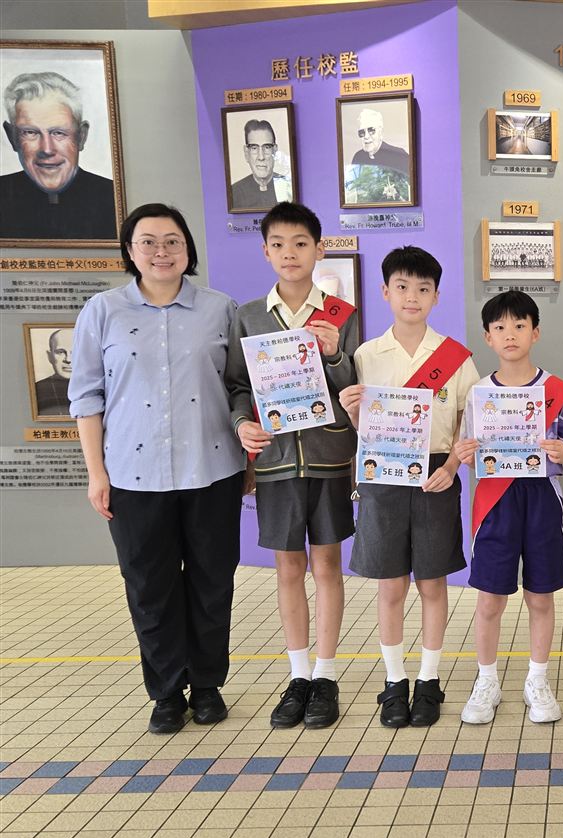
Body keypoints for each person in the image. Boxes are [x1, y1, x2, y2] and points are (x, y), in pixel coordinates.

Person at [69, 203, 245, 734]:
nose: (161, 251)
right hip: (133, 475)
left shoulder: (220, 308)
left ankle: (207, 685)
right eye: (148, 242)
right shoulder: (103, 310)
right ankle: (167, 691)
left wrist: (249, 456)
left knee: (212, 582)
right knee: (149, 587)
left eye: (172, 241)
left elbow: (240, 387)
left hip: (212, 469)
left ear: (188, 249)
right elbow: (86, 398)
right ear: (130, 250)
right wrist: (96, 473)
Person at [225, 202, 360, 730]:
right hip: (277, 461)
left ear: (319, 249)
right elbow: (238, 385)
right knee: (288, 568)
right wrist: (242, 424)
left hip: (329, 458)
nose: (290, 253)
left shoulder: (341, 314)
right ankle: (298, 675)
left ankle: (326, 675)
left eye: (301, 243)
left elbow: (355, 386)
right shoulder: (249, 317)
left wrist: (334, 355)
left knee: (327, 566)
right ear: (265, 251)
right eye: (278, 244)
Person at [338, 246, 479, 728]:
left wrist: (454, 466)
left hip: (437, 474)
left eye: (423, 288)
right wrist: (354, 413)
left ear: (437, 296)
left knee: (432, 582)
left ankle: (429, 680)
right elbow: (365, 431)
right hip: (383, 476)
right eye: (402, 287)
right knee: (391, 584)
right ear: (385, 292)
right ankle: (395, 680)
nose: (412, 296)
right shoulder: (365, 355)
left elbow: (468, 422)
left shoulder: (455, 358)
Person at [453, 290, 563, 725]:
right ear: (488, 337)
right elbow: (469, 452)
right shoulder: (478, 393)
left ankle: (537, 680)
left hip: (542, 498)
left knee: (540, 596)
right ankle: (486, 681)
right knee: (490, 598)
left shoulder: (556, 391)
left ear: (535, 333)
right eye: (500, 327)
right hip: (495, 502)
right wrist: (465, 454)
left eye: (520, 326)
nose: (511, 334)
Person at [0, 71, 117, 241]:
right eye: (30, 132)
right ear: (12, 137)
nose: (47, 149)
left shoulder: (114, 198)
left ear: (81, 136)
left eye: (59, 133)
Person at [229, 119, 291, 211]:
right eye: (254, 148)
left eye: (267, 147)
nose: (261, 157)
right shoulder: (234, 192)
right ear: (246, 153)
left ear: (275, 151)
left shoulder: (289, 187)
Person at [350, 107, 411, 173]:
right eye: (362, 132)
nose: (366, 136)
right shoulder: (358, 157)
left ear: (380, 131)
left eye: (371, 130)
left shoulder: (399, 156)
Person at [33, 327, 72, 416]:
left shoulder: (97, 388)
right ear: (50, 356)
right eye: (60, 352)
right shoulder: (37, 390)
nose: (68, 359)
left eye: (75, 352)